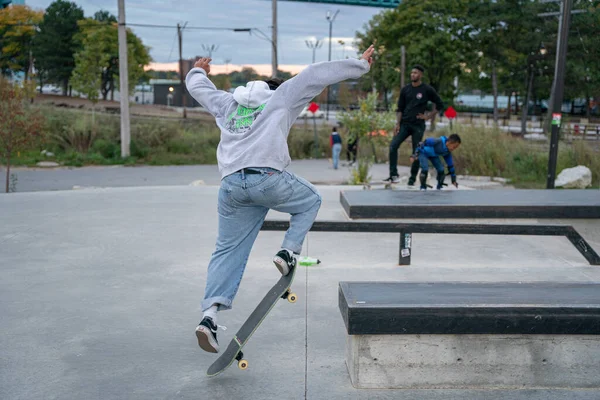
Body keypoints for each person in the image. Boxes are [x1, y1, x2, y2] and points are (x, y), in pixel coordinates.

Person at [186, 45, 375, 353]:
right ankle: (288, 252)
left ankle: (209, 316)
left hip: (232, 185)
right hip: (268, 178)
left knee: (227, 249)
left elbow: (197, 88)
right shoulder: (282, 96)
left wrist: (198, 70)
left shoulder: (228, 103)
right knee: (311, 198)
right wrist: (360, 65)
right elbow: (315, 75)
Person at [385, 65, 445, 185]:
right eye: (412, 73)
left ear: (421, 75)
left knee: (416, 152)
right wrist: (397, 124)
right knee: (393, 146)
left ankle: (412, 179)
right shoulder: (406, 89)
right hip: (405, 124)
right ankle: (393, 175)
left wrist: (428, 116)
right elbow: (400, 108)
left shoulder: (427, 90)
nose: (413, 75)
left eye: (416, 73)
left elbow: (440, 104)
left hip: (418, 125)